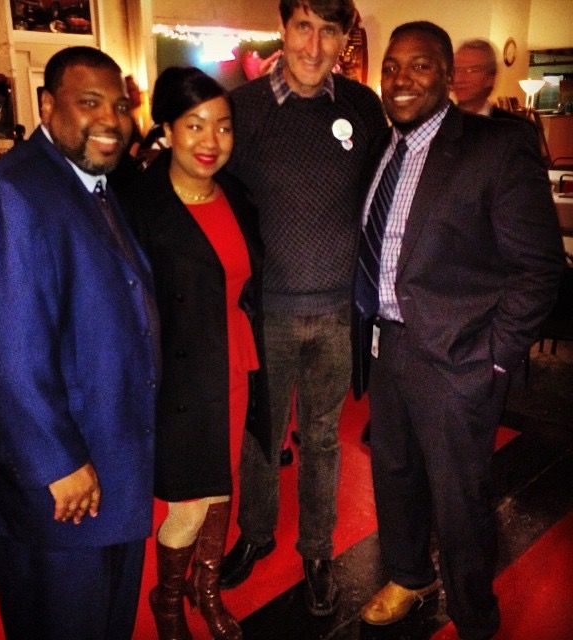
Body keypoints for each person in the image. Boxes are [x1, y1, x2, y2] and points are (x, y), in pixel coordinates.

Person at [353, 22, 565, 640]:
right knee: (394, 474)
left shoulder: (495, 147)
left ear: (446, 75)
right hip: (386, 343)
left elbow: (539, 269)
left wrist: (493, 358)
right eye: (391, 67)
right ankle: (408, 575)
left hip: (458, 360)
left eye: (419, 65)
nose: (400, 79)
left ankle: (474, 615)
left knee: (459, 497)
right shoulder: (381, 147)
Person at [0, 46, 160, 640]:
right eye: (89, 102)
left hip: (110, 463)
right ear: (47, 106)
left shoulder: (95, 186)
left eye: (119, 106)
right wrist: (57, 462)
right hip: (58, 486)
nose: (111, 120)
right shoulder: (11, 194)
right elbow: (6, 351)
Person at [218, 0, 388, 618]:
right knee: (260, 435)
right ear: (283, 29)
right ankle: (256, 533)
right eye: (303, 28)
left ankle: (317, 551)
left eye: (329, 31)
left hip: (339, 312)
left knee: (321, 439)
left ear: (344, 40)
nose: (314, 47)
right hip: (267, 313)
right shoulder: (242, 109)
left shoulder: (362, 108)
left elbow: (382, 192)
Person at [119, 67, 271, 640]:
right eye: (195, 124)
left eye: (223, 126)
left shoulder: (235, 193)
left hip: (234, 360)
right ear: (165, 128)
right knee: (188, 501)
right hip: (177, 378)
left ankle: (206, 591)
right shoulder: (138, 204)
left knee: (223, 484)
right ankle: (167, 602)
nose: (211, 141)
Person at [453, 39, 525, 120]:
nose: (459, 78)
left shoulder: (512, 125)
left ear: (490, 78)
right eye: (457, 70)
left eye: (472, 70)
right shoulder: (443, 121)